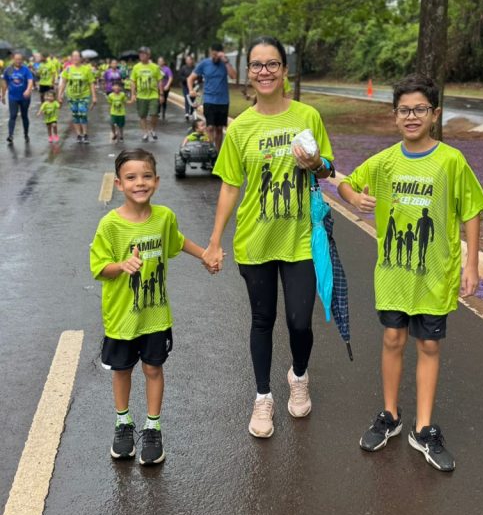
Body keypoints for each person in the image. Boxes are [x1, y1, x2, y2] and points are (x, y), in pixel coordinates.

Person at [338, 74, 483, 472]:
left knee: (428, 346)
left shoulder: (450, 161)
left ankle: (423, 428)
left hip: (434, 275)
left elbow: (471, 210)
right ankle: (390, 414)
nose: (411, 116)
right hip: (392, 274)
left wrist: (471, 263)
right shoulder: (386, 160)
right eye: (404, 109)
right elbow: (346, 186)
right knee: (392, 338)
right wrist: (355, 196)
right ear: (394, 116)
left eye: (420, 109)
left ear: (435, 114)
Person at [203, 35, 334, 440]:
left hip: (299, 239)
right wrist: (214, 241)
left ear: (284, 71)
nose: (264, 71)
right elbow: (228, 186)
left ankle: (298, 375)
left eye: (272, 64)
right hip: (256, 241)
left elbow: (327, 168)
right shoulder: (240, 128)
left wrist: (316, 163)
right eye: (257, 65)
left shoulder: (308, 116)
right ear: (249, 74)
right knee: (263, 319)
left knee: (299, 321)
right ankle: (263, 397)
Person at [89, 148, 215, 465]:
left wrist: (205, 254)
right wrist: (121, 265)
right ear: (119, 184)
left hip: (155, 315)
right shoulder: (110, 226)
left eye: (146, 176)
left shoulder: (164, 218)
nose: (139, 183)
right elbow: (98, 267)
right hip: (121, 318)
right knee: (122, 369)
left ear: (156, 181)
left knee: (153, 368)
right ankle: (123, 423)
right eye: (131, 177)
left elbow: (178, 241)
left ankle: (152, 426)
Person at [189, 42, 237, 152]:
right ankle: (210, 151)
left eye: (217, 55)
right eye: (213, 54)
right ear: (211, 53)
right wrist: (191, 90)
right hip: (209, 100)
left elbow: (234, 76)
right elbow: (190, 78)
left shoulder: (225, 64)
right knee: (210, 127)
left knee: (219, 128)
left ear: (221, 54)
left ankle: (217, 153)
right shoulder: (204, 63)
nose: (214, 57)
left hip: (223, 101)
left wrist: (226, 62)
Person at [58, 50, 97, 143]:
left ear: (81, 58)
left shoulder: (87, 69)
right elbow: (63, 82)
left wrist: (94, 97)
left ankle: (85, 134)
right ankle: (79, 134)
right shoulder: (67, 69)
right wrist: (60, 94)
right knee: (75, 115)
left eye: (77, 56)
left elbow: (91, 83)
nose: (75, 58)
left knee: (83, 114)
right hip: (71, 96)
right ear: (71, 58)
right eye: (73, 56)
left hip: (84, 95)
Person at [130, 46, 163, 142]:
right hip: (141, 95)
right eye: (140, 53)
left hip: (153, 95)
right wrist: (133, 94)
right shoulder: (136, 67)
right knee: (142, 115)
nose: (141, 55)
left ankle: (152, 129)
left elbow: (159, 80)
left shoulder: (155, 67)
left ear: (149, 55)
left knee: (154, 114)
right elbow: (133, 81)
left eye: (143, 53)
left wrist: (161, 94)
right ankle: (145, 133)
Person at [2, 52, 34, 144]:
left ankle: (26, 134)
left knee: (24, 116)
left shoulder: (26, 70)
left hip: (24, 97)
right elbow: (4, 83)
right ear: (13, 59)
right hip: (13, 97)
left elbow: (30, 80)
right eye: (16, 59)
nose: (18, 61)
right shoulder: (8, 70)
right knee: (13, 115)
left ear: (22, 60)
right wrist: (3, 95)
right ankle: (10, 135)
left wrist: (28, 90)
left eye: (20, 59)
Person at [178, 53, 196, 119]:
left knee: (192, 99)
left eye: (189, 60)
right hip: (185, 86)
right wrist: (186, 79)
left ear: (192, 60)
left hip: (194, 86)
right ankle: (186, 113)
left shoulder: (195, 68)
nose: (188, 61)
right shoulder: (183, 68)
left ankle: (191, 111)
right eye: (187, 60)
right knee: (187, 98)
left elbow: (199, 76)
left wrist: (196, 80)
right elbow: (180, 76)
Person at [157, 56, 174, 121]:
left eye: (161, 61)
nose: (160, 62)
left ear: (164, 62)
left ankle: (163, 113)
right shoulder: (156, 68)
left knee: (164, 100)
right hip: (157, 87)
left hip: (165, 87)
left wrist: (167, 85)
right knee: (157, 100)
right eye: (159, 61)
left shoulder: (167, 69)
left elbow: (170, 77)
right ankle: (157, 112)